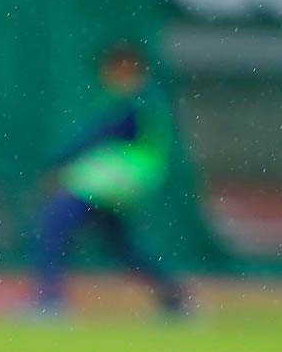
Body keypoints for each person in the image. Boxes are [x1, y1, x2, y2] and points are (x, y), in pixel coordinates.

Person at [29, 42, 190, 318]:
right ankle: (174, 297)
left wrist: (59, 163)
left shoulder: (132, 101)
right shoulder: (150, 99)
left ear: (124, 67)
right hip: (129, 184)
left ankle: (50, 301)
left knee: (54, 224)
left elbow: (97, 136)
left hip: (110, 180)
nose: (107, 75)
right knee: (120, 244)